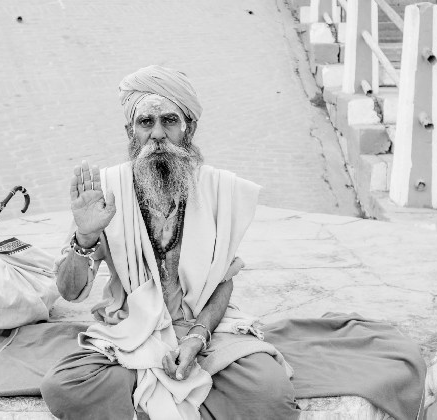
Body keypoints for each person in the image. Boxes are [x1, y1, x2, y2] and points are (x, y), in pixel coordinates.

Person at [41, 65, 300, 420]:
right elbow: (70, 293)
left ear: (188, 129)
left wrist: (197, 338)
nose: (158, 134)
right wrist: (85, 236)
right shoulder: (108, 193)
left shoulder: (215, 190)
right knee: (64, 388)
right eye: (146, 122)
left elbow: (223, 281)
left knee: (270, 394)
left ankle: (157, 388)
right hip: (133, 330)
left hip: (204, 327)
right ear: (130, 132)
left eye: (169, 121)